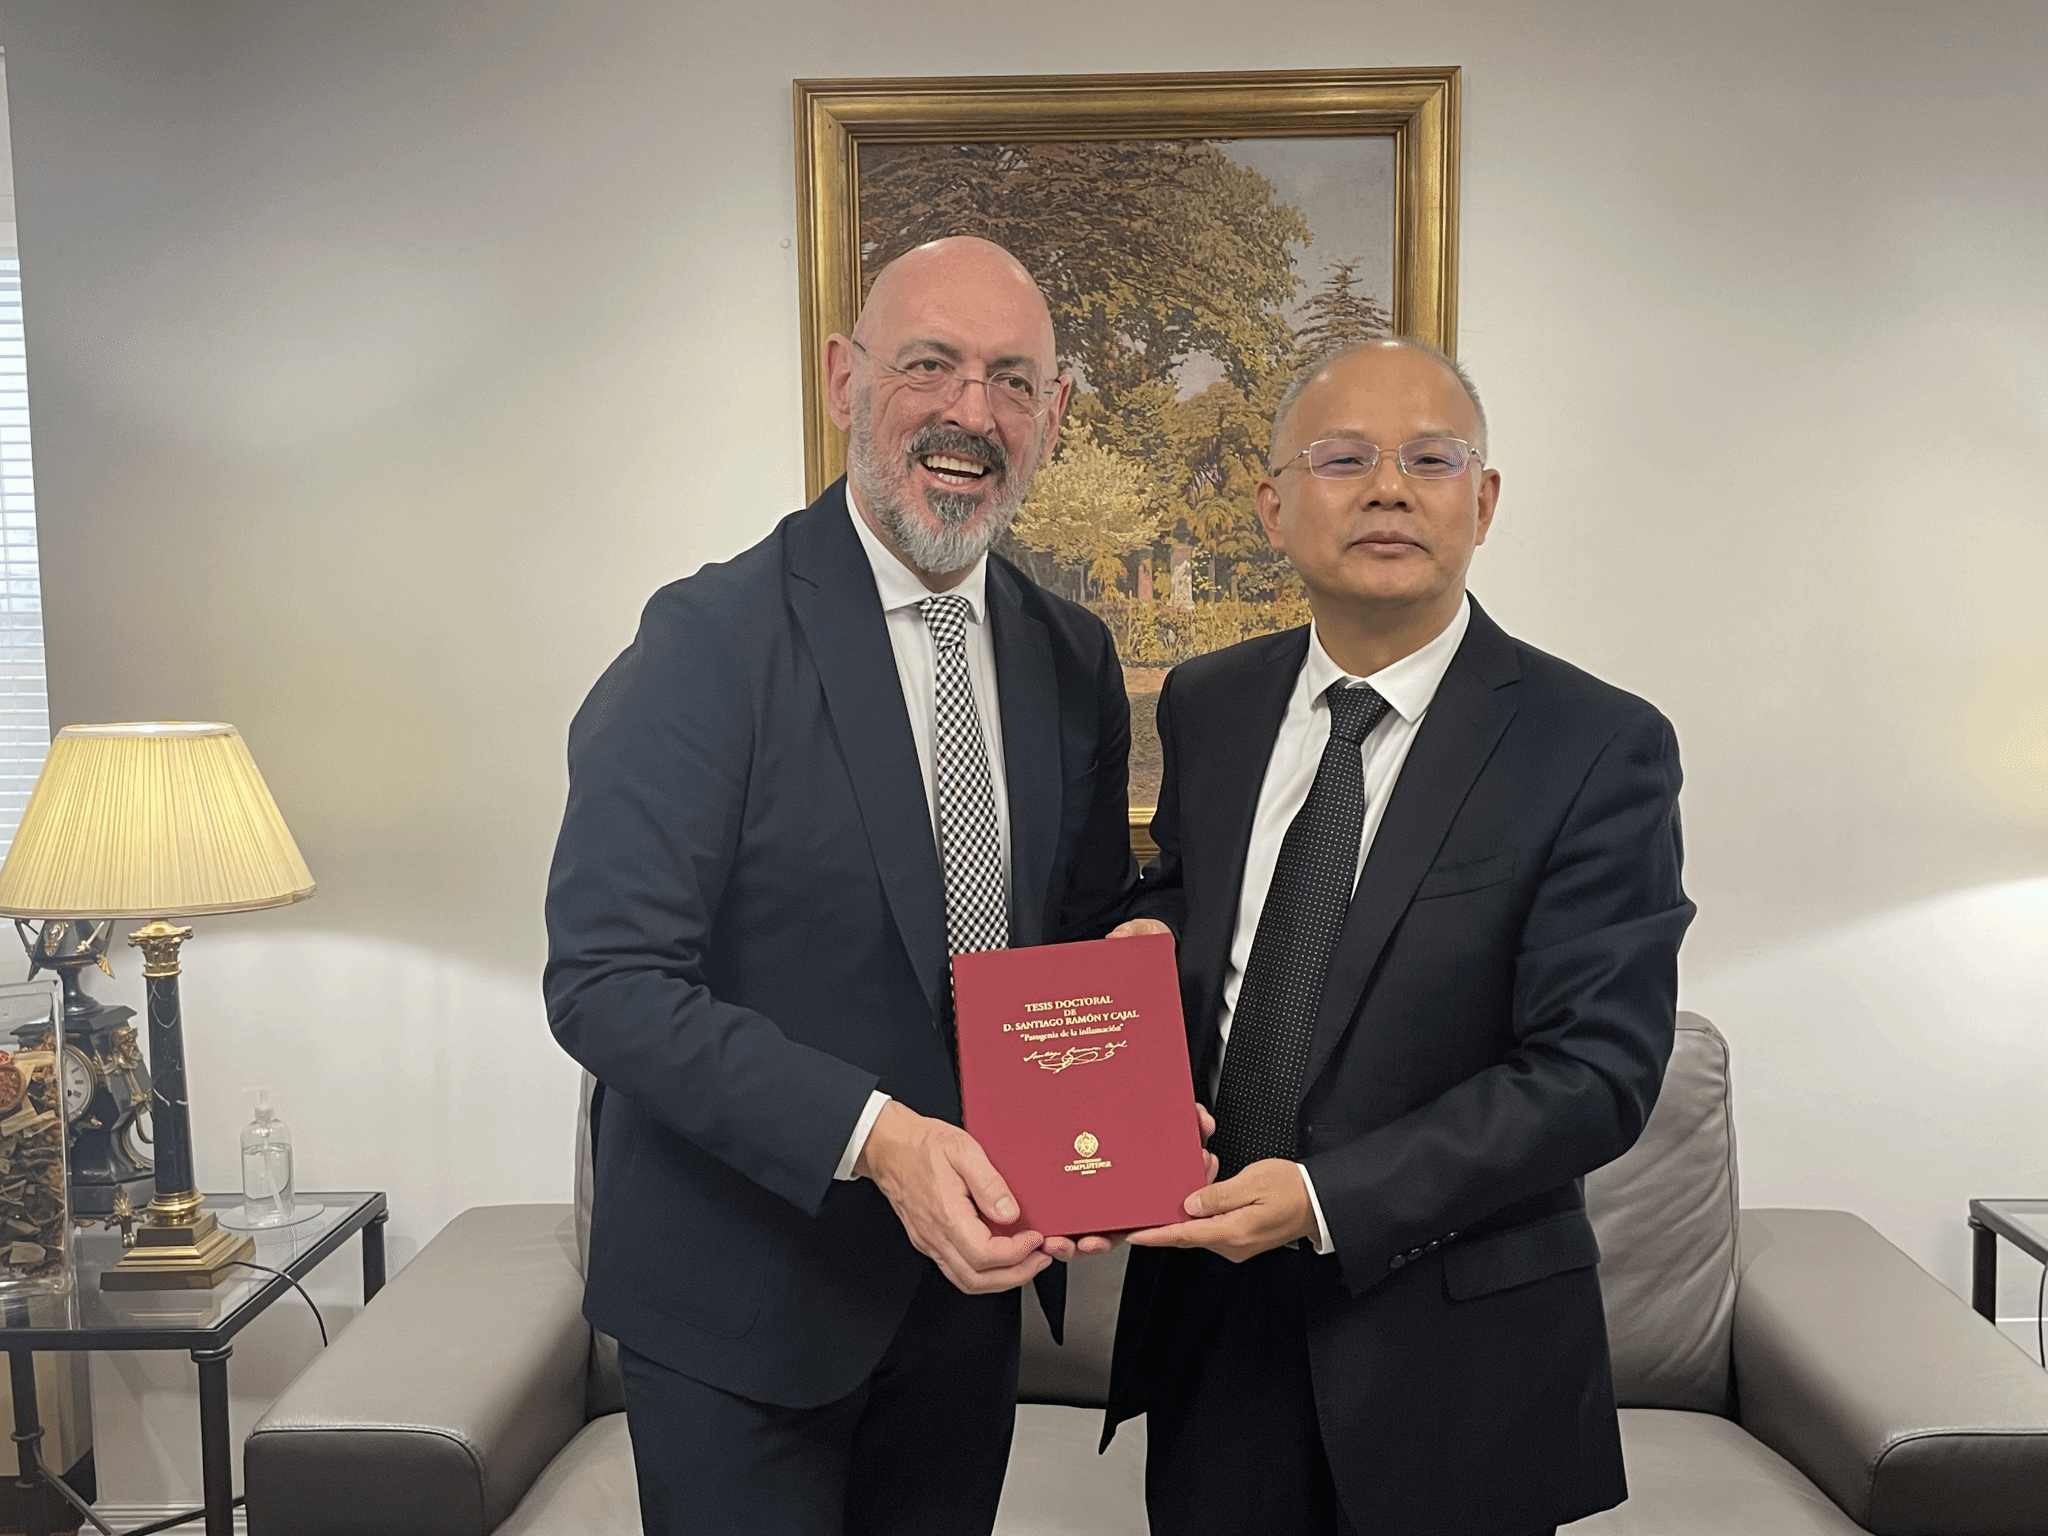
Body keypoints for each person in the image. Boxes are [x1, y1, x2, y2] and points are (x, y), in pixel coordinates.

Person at [544, 236, 1138, 1536]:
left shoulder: (1069, 657)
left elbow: (1084, 930)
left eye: (1012, 379)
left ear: (1052, 416)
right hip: (743, 1306)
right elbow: (608, 984)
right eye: (929, 365)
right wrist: (882, 1141)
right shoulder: (707, 643)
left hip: (970, 1303)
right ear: (842, 380)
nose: (971, 412)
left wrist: (1115, 1104)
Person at [1103, 339, 1695, 1536]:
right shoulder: (1209, 704)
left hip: (1454, 1359)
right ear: (1273, 505)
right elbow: (1189, 897)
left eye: (1429, 458)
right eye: (1342, 459)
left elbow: (1594, 1074)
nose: (1387, 488)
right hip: (1211, 1323)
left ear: (1483, 501)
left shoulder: (1593, 744)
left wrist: (1326, 1197)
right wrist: (1135, 945)